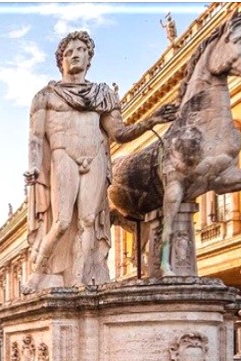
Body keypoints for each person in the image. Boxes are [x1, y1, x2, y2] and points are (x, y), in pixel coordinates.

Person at [22, 30, 177, 294]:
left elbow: (120, 134)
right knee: (62, 221)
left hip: (94, 157)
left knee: (88, 221)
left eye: (81, 50)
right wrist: (35, 166)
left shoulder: (102, 95)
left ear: (89, 58)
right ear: (60, 60)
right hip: (63, 156)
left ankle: (79, 279)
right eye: (69, 52)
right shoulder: (45, 96)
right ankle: (38, 274)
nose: (75, 55)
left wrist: (151, 120)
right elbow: (35, 138)